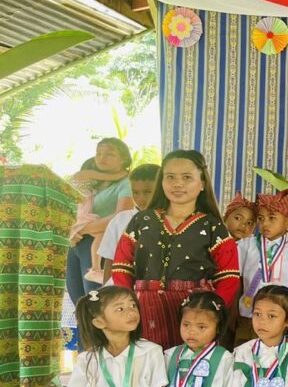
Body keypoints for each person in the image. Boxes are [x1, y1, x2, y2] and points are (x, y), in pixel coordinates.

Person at [111, 150, 240, 350]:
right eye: (170, 177)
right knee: (148, 364)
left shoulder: (212, 227)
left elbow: (228, 276)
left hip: (192, 314)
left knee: (187, 365)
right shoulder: (142, 220)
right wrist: (128, 304)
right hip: (145, 310)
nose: (177, 184)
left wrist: (209, 313)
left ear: (202, 183)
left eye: (187, 177)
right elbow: (122, 265)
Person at [66, 138, 135, 302]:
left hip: (100, 245)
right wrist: (72, 231)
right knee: (78, 302)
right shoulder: (92, 182)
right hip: (76, 244)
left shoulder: (127, 183)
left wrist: (81, 229)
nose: (102, 158)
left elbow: (121, 216)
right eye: (99, 153)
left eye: (110, 154)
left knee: (95, 300)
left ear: (123, 159)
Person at [236, 189, 288, 344]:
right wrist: (234, 312)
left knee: (273, 351)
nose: (265, 223)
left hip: (278, 317)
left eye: (272, 218)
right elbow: (237, 281)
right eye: (261, 218)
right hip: (248, 314)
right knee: (244, 349)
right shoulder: (247, 245)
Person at [97, 163, 159, 283]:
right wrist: (107, 290)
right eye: (135, 192)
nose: (141, 198)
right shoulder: (120, 220)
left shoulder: (171, 219)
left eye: (147, 192)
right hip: (121, 287)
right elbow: (110, 260)